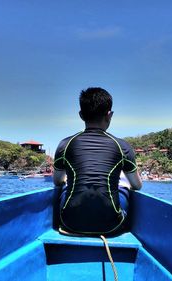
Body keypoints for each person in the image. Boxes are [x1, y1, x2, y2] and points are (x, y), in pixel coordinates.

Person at [53, 87, 142, 235]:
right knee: (124, 188)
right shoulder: (122, 146)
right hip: (111, 226)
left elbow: (57, 181)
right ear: (110, 115)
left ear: (81, 115)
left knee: (64, 188)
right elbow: (137, 186)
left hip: (69, 223)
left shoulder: (65, 144)